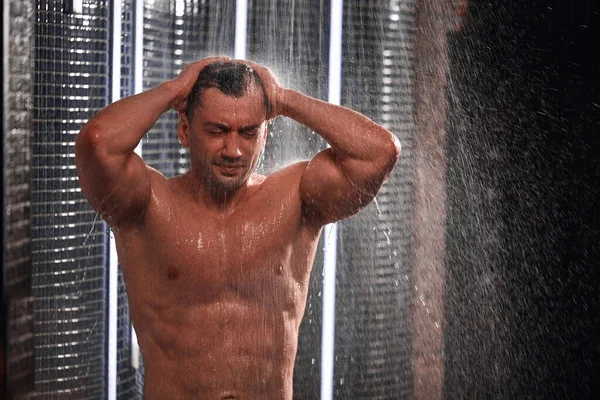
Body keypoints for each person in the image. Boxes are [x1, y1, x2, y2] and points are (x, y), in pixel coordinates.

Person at [75, 57, 400, 399]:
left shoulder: (295, 199)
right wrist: (175, 90)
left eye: (248, 132)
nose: (233, 150)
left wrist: (283, 99)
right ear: (185, 130)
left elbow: (379, 152)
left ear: (265, 132)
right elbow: (97, 143)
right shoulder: (148, 205)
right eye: (216, 131)